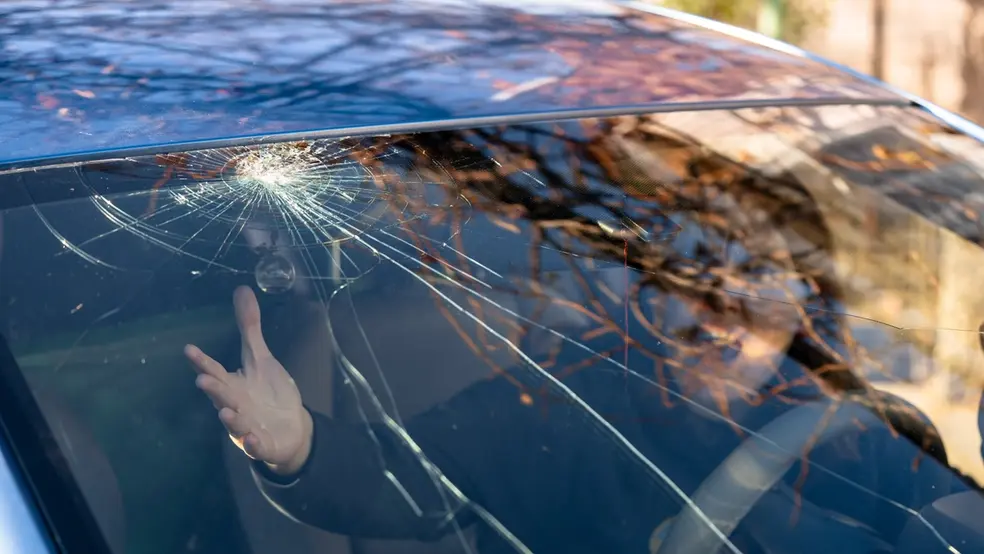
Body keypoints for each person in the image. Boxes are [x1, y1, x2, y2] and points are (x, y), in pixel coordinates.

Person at [185, 285, 971, 554]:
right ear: (647, 299)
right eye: (698, 295)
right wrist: (301, 448)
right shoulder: (559, 406)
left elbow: (927, 519)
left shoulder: (851, 420)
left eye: (758, 293)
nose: (729, 322)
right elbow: (407, 475)